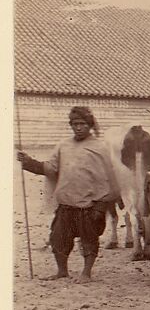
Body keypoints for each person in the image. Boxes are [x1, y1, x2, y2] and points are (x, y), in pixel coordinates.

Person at [17, 106, 120, 281]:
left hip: (89, 205)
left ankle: (86, 273)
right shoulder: (63, 146)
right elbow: (51, 168)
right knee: (58, 239)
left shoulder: (100, 147)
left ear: (90, 125)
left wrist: (102, 206)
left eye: (82, 124)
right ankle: (62, 271)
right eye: (75, 124)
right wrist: (28, 162)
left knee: (89, 240)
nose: (78, 127)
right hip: (66, 203)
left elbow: (109, 179)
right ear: (70, 125)